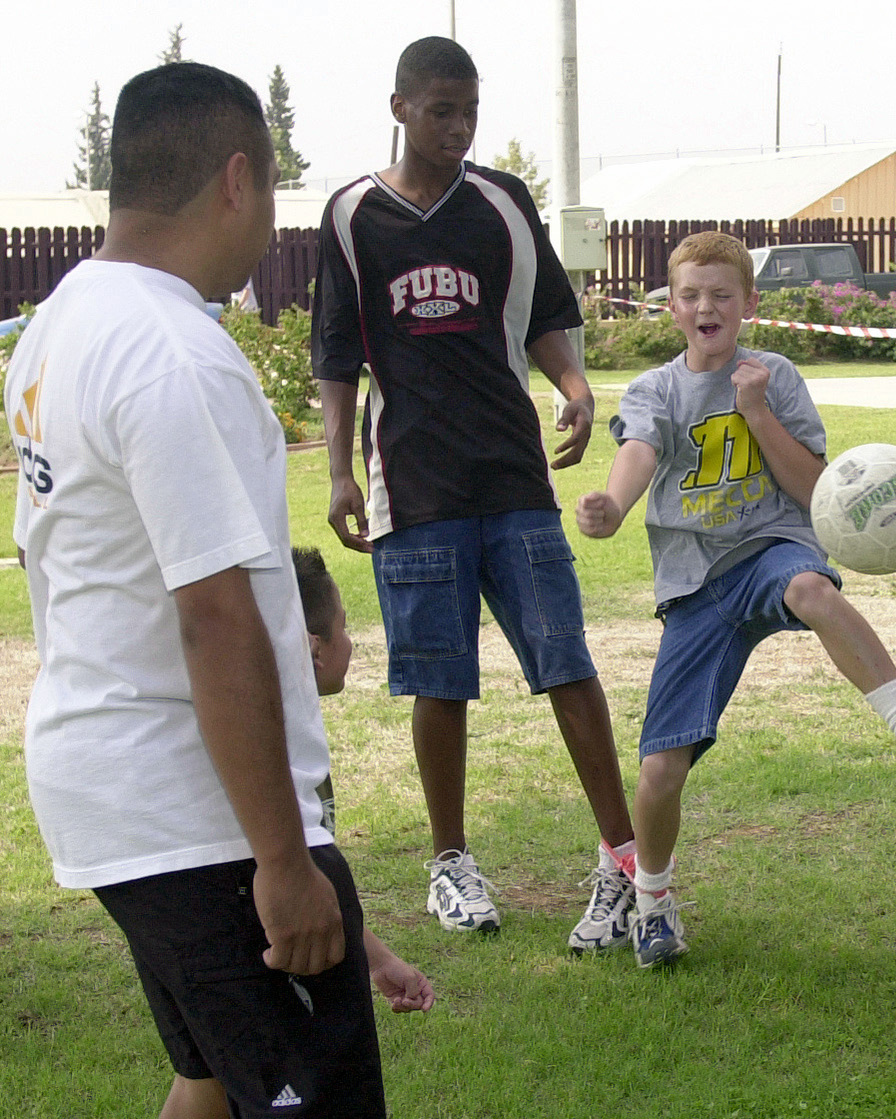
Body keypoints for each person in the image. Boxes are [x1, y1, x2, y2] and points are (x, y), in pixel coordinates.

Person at [7, 62, 386, 1116]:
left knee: (214, 1081)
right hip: (195, 814)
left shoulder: (59, 323)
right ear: (236, 180)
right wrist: (283, 859)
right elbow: (214, 617)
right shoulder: (175, 353)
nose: (271, 227)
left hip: (119, 795)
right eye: (272, 194)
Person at [575, 231, 896, 968]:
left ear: (748, 304)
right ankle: (654, 901)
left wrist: (757, 411)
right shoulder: (656, 388)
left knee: (810, 586)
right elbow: (637, 451)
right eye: (692, 295)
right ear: (672, 306)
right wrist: (613, 502)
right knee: (662, 770)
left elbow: (812, 490)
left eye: (722, 295)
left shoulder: (777, 375)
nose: (707, 306)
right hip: (696, 584)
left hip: (770, 546)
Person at [311, 36, 637, 948]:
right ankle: (450, 865)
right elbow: (338, 356)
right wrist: (340, 467)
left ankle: (625, 860)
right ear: (400, 107)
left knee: (565, 660)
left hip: (511, 474)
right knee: (437, 680)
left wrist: (573, 389)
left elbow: (542, 316)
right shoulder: (349, 217)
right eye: (441, 110)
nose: (458, 127)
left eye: (470, 112)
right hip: (411, 484)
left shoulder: (502, 202)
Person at [166, 548, 435, 1118]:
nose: (352, 644)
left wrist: (377, 958)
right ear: (311, 648)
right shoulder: (269, 753)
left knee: (205, 1081)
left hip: (172, 893)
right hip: (236, 908)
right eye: (343, 628)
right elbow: (285, 880)